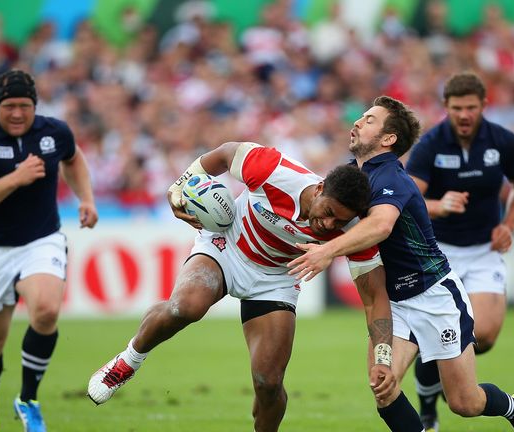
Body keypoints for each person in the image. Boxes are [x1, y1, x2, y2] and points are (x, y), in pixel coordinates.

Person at [87, 141, 396, 432]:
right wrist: (180, 185)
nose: (328, 225)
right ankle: (127, 361)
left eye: (338, 222)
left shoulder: (355, 231)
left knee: (268, 382)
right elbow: (225, 152)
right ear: (319, 189)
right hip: (227, 247)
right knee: (186, 306)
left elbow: (374, 297)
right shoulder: (275, 170)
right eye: (328, 212)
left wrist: (383, 357)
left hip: (276, 278)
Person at [289, 96, 514, 432]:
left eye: (368, 119)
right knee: (383, 386)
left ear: (388, 139)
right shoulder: (350, 176)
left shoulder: (391, 178)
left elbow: (381, 225)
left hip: (434, 296)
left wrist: (326, 251)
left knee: (465, 403)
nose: (357, 122)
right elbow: (316, 203)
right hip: (392, 304)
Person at [0, 69, 98, 432]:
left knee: (47, 310)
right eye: (10, 106)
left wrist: (86, 199)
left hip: (41, 240)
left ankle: (28, 399)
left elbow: (74, 157)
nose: (17, 113)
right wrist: (16, 178)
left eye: (24, 105)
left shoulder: (53, 132)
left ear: (34, 105)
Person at [405, 72, 514, 431]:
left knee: (485, 335)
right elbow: (407, 199)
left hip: (483, 251)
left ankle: (449, 376)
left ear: (483, 106)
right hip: (438, 253)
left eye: (471, 108)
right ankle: (429, 407)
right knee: (436, 335)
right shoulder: (431, 144)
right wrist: (439, 204)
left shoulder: (503, 142)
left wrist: (508, 224)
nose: (464, 114)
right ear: (446, 107)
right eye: (457, 107)